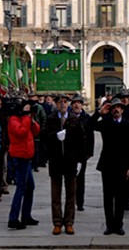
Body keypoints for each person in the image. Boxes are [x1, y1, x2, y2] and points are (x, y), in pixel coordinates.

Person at [91, 98, 129, 235]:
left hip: (122, 166)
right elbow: (88, 126)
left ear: (122, 110)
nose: (116, 110)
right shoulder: (105, 123)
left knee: (120, 197)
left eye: (119, 107)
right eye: (113, 108)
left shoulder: (128, 125)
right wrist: (99, 113)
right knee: (108, 197)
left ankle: (119, 224)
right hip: (107, 165)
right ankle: (109, 225)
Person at [43, 94, 85, 235]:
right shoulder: (51, 119)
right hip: (56, 161)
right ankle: (57, 222)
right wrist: (55, 136)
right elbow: (44, 137)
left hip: (70, 161)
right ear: (56, 104)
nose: (62, 104)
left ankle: (69, 222)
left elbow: (81, 140)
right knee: (56, 195)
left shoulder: (74, 119)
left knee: (71, 194)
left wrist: (80, 160)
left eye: (65, 102)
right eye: (60, 102)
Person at [5, 97, 39, 228]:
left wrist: (31, 118)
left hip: (27, 157)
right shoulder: (13, 120)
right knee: (21, 187)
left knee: (30, 187)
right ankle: (13, 218)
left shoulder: (26, 119)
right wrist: (26, 117)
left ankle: (26, 215)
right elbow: (22, 133)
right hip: (19, 157)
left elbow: (36, 130)